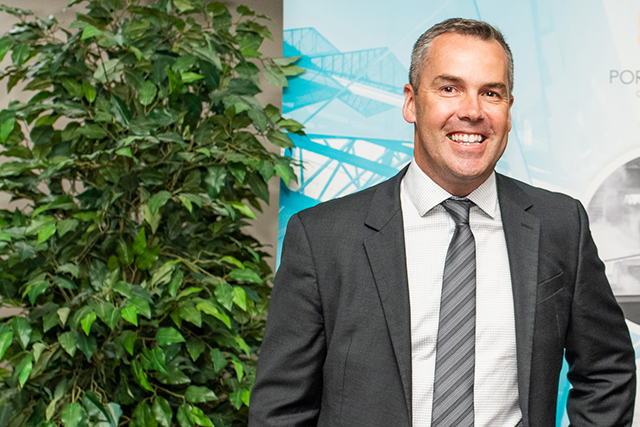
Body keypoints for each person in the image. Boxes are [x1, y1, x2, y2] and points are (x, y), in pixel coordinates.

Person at [248, 18, 636, 427]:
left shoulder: (560, 224)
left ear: (508, 110)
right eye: (449, 88)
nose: (472, 111)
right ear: (412, 102)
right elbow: (282, 408)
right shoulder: (322, 236)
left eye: (491, 93)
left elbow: (607, 369)